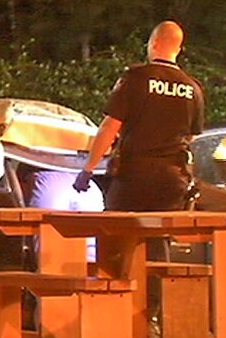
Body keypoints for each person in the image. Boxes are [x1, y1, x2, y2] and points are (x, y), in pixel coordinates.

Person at [73, 21, 205, 211]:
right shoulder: (193, 88)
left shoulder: (135, 78)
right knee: (160, 235)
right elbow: (192, 137)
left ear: (155, 43)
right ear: (179, 49)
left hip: (133, 178)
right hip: (172, 180)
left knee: (118, 234)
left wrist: (88, 169)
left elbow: (110, 127)